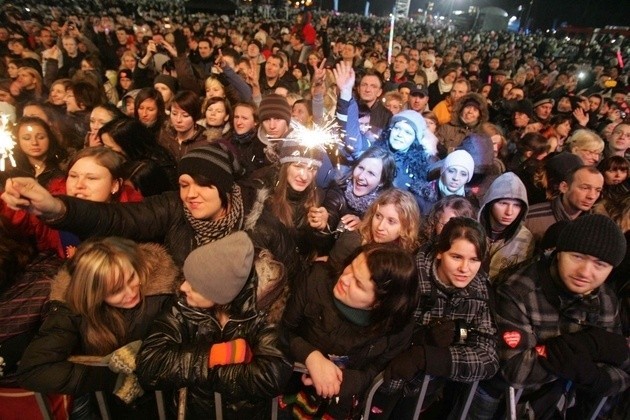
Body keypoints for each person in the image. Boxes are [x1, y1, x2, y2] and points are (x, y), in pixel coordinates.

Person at [1, 145, 294, 270]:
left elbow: (288, 277)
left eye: (203, 184)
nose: (190, 194)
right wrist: (55, 208)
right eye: (184, 183)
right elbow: (118, 218)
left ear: (225, 188)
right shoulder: (173, 208)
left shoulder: (262, 226)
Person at [474, 215, 629, 419]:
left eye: (600, 264)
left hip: (556, 401)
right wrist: (589, 345)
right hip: (501, 398)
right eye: (577, 256)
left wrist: (596, 378)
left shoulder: (606, 301)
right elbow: (515, 368)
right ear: (559, 253)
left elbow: (623, 368)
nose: (585, 271)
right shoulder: (519, 290)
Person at [17, 236, 179, 418]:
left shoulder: (163, 290)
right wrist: (110, 378)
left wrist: (150, 351)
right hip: (114, 408)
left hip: (170, 403)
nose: (131, 292)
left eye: (132, 277)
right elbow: (34, 369)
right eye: (115, 290)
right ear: (94, 295)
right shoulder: (71, 309)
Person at [136, 232, 293, 418]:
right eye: (187, 278)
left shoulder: (262, 311)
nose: (183, 287)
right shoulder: (182, 305)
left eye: (195, 286)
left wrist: (200, 373)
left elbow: (269, 376)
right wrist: (215, 356)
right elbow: (150, 364)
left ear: (221, 295)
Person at [281, 243, 419, 418]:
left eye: (359, 284)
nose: (345, 279)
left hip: (344, 404)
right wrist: (310, 356)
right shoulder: (316, 280)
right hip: (291, 387)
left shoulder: (397, 327)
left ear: (379, 303)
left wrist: (347, 381)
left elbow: (378, 369)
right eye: (351, 267)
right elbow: (282, 329)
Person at [379, 217, 498, 417]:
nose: (465, 269)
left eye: (474, 260)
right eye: (457, 257)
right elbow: (378, 333)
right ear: (440, 253)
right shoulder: (409, 277)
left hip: (425, 391)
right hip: (383, 383)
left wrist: (428, 357)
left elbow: (488, 359)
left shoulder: (479, 292)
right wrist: (418, 340)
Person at [1, 147, 143, 259]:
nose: (79, 185)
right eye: (73, 176)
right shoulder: (54, 209)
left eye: (92, 178)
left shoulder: (134, 218)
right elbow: (23, 219)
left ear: (115, 185)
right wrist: (16, 197)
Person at [309, 146, 396, 244]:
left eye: (371, 173)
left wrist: (364, 228)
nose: (361, 176)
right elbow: (329, 218)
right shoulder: (338, 191)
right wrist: (323, 225)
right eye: (361, 168)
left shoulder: (385, 207)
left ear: (382, 182)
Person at [328, 188, 421, 272]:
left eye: (391, 221)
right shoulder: (353, 241)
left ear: (406, 227)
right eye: (378, 216)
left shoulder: (402, 264)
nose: (380, 227)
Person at [477, 172, 534, 280]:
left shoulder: (525, 238)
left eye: (517, 205)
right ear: (490, 203)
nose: (509, 212)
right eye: (503, 203)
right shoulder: (471, 230)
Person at [525, 165, 603, 244]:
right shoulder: (530, 218)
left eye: (598, 190)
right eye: (585, 188)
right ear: (564, 187)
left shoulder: (598, 225)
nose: (592, 196)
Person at [0, 116, 67, 188]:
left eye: (41, 137)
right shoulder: (8, 169)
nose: (34, 143)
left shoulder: (63, 166)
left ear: (50, 138)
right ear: (17, 141)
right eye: (26, 138)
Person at [413, 149, 475, 216]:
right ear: (443, 171)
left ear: (468, 178)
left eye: (463, 174)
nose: (456, 178)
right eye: (451, 171)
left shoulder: (471, 203)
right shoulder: (422, 197)